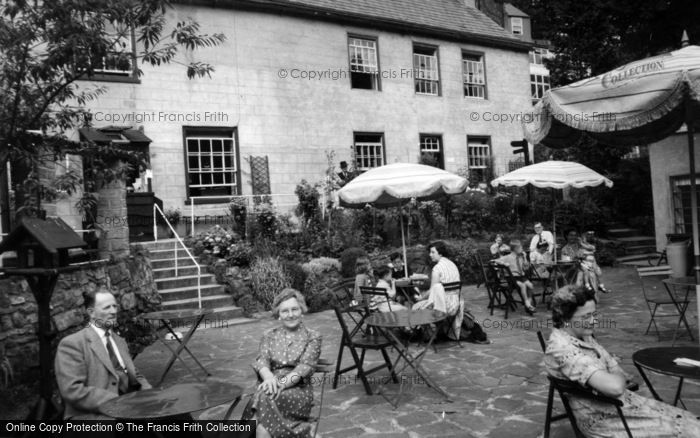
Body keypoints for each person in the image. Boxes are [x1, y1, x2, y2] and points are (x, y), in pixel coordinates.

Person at [545, 286, 700, 437]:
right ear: (565, 318)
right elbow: (616, 386)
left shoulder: (582, 335)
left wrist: (614, 373)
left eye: (594, 314)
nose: (593, 321)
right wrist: (616, 376)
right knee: (690, 430)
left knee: (689, 420)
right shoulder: (562, 349)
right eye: (586, 316)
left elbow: (613, 366)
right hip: (605, 419)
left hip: (620, 405)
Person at [55, 290, 151, 420]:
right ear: (91, 313)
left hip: (133, 405)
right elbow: (73, 390)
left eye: (115, 306)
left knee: (178, 416)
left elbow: (135, 374)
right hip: (97, 414)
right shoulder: (73, 344)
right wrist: (119, 403)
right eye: (107, 307)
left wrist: (151, 396)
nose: (113, 311)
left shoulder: (119, 341)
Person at [244, 289, 322, 438]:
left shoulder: (313, 337)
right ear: (278, 315)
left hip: (297, 390)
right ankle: (302, 432)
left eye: (294, 309)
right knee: (262, 429)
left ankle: (243, 432)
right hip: (270, 385)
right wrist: (268, 378)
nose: (291, 314)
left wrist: (280, 384)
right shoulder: (269, 335)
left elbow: (304, 368)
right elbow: (262, 360)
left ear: (302, 311)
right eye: (285, 311)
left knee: (262, 396)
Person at [413, 241, 464, 339]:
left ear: (440, 253)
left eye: (433, 252)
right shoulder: (452, 264)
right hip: (456, 304)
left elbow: (432, 290)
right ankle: (439, 333)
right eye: (430, 252)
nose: (430, 255)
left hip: (444, 306)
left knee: (416, 307)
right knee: (427, 301)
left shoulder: (437, 268)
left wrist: (421, 298)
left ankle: (429, 337)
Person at [495, 240, 537, 315]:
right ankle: (527, 304)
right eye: (521, 247)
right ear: (515, 248)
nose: (522, 249)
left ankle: (529, 304)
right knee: (523, 285)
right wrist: (504, 263)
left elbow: (526, 268)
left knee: (531, 286)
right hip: (512, 278)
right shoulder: (508, 257)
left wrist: (525, 258)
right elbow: (495, 260)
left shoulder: (521, 257)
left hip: (521, 276)